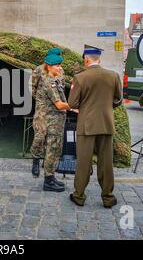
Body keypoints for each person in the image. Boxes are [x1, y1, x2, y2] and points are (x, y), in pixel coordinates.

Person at [68, 45, 122, 208]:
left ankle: (79, 196)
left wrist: (85, 107)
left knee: (84, 162)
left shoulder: (80, 77)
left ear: (86, 59)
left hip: (87, 125)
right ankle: (108, 197)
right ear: (99, 58)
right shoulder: (113, 76)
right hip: (106, 124)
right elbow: (118, 100)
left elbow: (72, 103)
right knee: (106, 163)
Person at [31, 48, 77, 192]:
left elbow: (61, 89)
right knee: (43, 140)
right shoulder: (43, 76)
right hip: (47, 112)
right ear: (49, 63)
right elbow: (34, 88)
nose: (60, 67)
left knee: (54, 147)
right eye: (57, 64)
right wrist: (73, 107)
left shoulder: (57, 74)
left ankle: (50, 178)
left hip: (57, 114)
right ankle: (39, 164)